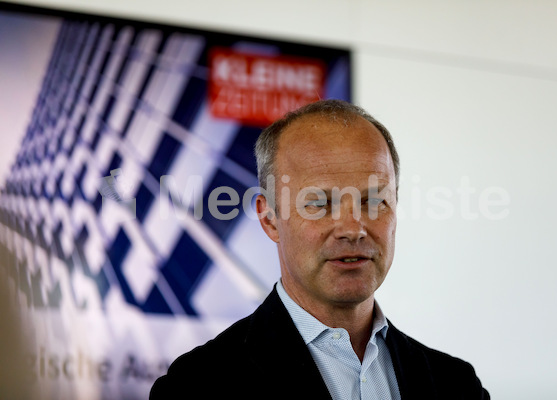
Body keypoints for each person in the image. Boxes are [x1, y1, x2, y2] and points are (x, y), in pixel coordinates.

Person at [150, 99, 490, 399]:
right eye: (319, 203)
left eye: (374, 200)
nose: (353, 228)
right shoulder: (197, 387)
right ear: (269, 219)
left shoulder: (456, 386)